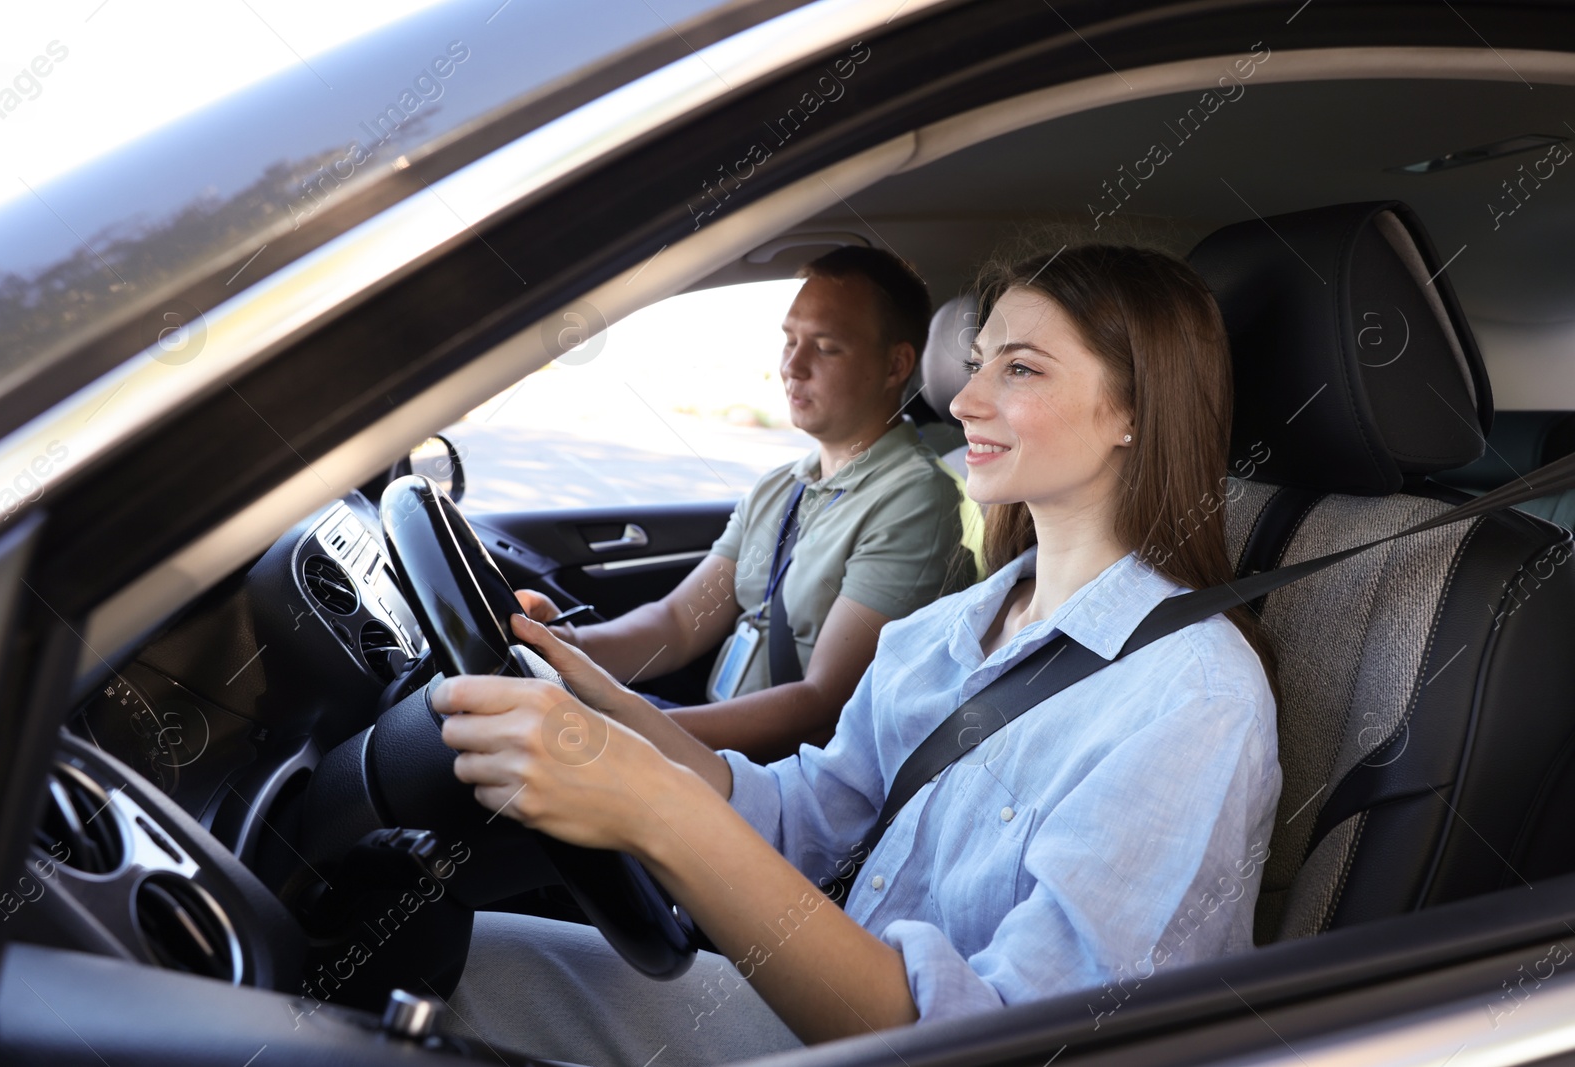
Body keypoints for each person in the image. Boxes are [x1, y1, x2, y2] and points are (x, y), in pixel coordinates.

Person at [434, 245, 1283, 1067]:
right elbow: (811, 816)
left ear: (1135, 409)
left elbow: (1015, 1044)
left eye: (1019, 370)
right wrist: (612, 708)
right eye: (978, 363)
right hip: (816, 1003)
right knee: (438, 956)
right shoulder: (942, 633)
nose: (964, 401)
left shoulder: (1193, 699)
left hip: (901, 1039)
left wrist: (659, 810)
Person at [517, 246, 974, 762]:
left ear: (895, 366)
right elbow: (677, 622)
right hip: (707, 742)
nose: (792, 366)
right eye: (790, 340)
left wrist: (631, 731)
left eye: (825, 348)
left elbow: (822, 706)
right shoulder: (782, 486)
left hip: (784, 777)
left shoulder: (916, 500)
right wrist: (562, 645)